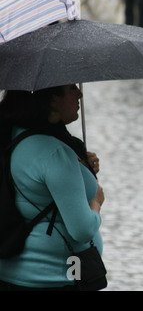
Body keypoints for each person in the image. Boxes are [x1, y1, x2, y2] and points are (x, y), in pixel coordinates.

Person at [0, 85, 105, 290]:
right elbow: (83, 230)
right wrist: (96, 204)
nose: (79, 94)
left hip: (10, 275)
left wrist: (81, 169)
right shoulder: (54, 153)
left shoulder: (12, 134)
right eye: (71, 88)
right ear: (52, 99)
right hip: (53, 280)